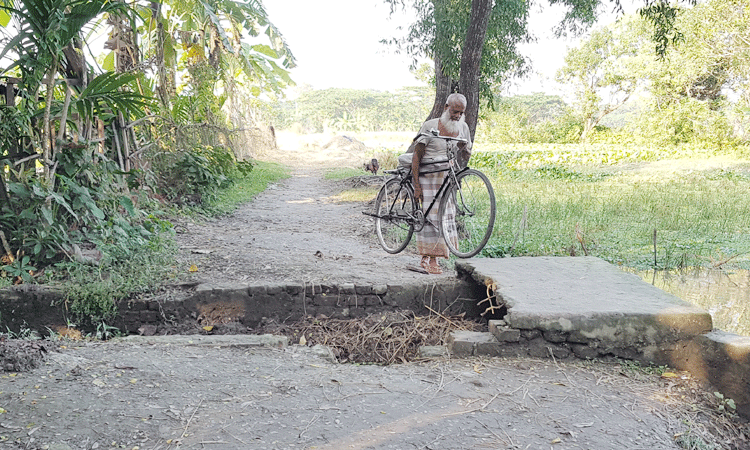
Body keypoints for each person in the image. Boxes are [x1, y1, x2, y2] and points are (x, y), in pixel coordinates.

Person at [411, 93, 472, 274]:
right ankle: (428, 258)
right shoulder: (430, 126)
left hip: (446, 177)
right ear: (446, 107)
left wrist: (464, 150)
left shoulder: (463, 127)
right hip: (427, 176)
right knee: (430, 216)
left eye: (461, 113)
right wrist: (416, 185)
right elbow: (417, 156)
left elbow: (466, 151)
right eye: (454, 111)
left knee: (446, 215)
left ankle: (434, 257)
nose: (457, 116)